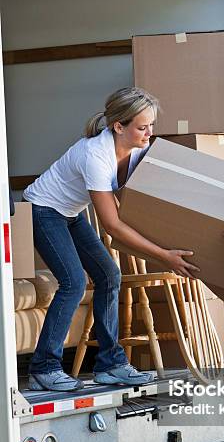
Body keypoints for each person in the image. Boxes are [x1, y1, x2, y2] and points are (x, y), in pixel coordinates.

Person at [24, 87, 199, 392]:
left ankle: (110, 365)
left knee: (109, 275)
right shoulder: (96, 156)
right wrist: (163, 255)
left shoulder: (135, 149)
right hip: (44, 210)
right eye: (142, 128)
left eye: (152, 126)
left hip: (71, 212)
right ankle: (44, 368)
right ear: (119, 126)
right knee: (74, 282)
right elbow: (112, 225)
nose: (149, 134)